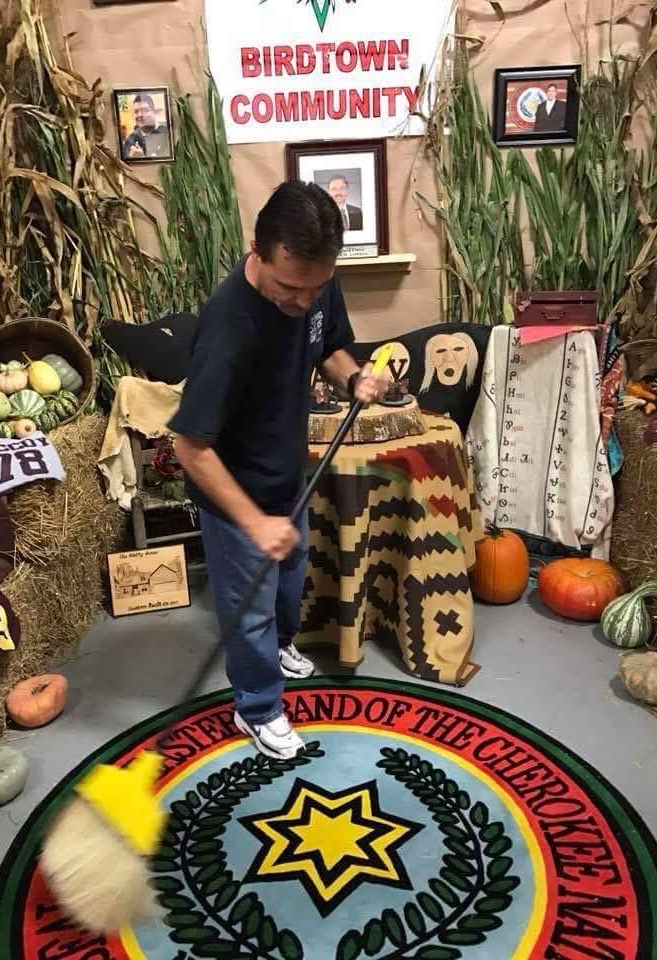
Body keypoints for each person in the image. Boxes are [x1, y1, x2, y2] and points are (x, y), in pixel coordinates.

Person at [169, 180, 388, 759]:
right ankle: (258, 706)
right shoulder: (229, 327)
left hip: (288, 474)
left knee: (289, 587)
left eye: (316, 287)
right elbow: (189, 446)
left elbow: (329, 348)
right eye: (291, 287)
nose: (304, 300)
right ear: (259, 251)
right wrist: (252, 522)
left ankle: (280, 647)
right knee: (251, 615)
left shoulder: (315, 282)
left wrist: (354, 379)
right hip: (234, 493)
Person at [122, 94, 171, 160]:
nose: (140, 115)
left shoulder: (167, 134)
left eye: (144, 110)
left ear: (154, 111)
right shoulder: (131, 139)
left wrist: (143, 158)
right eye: (136, 112)